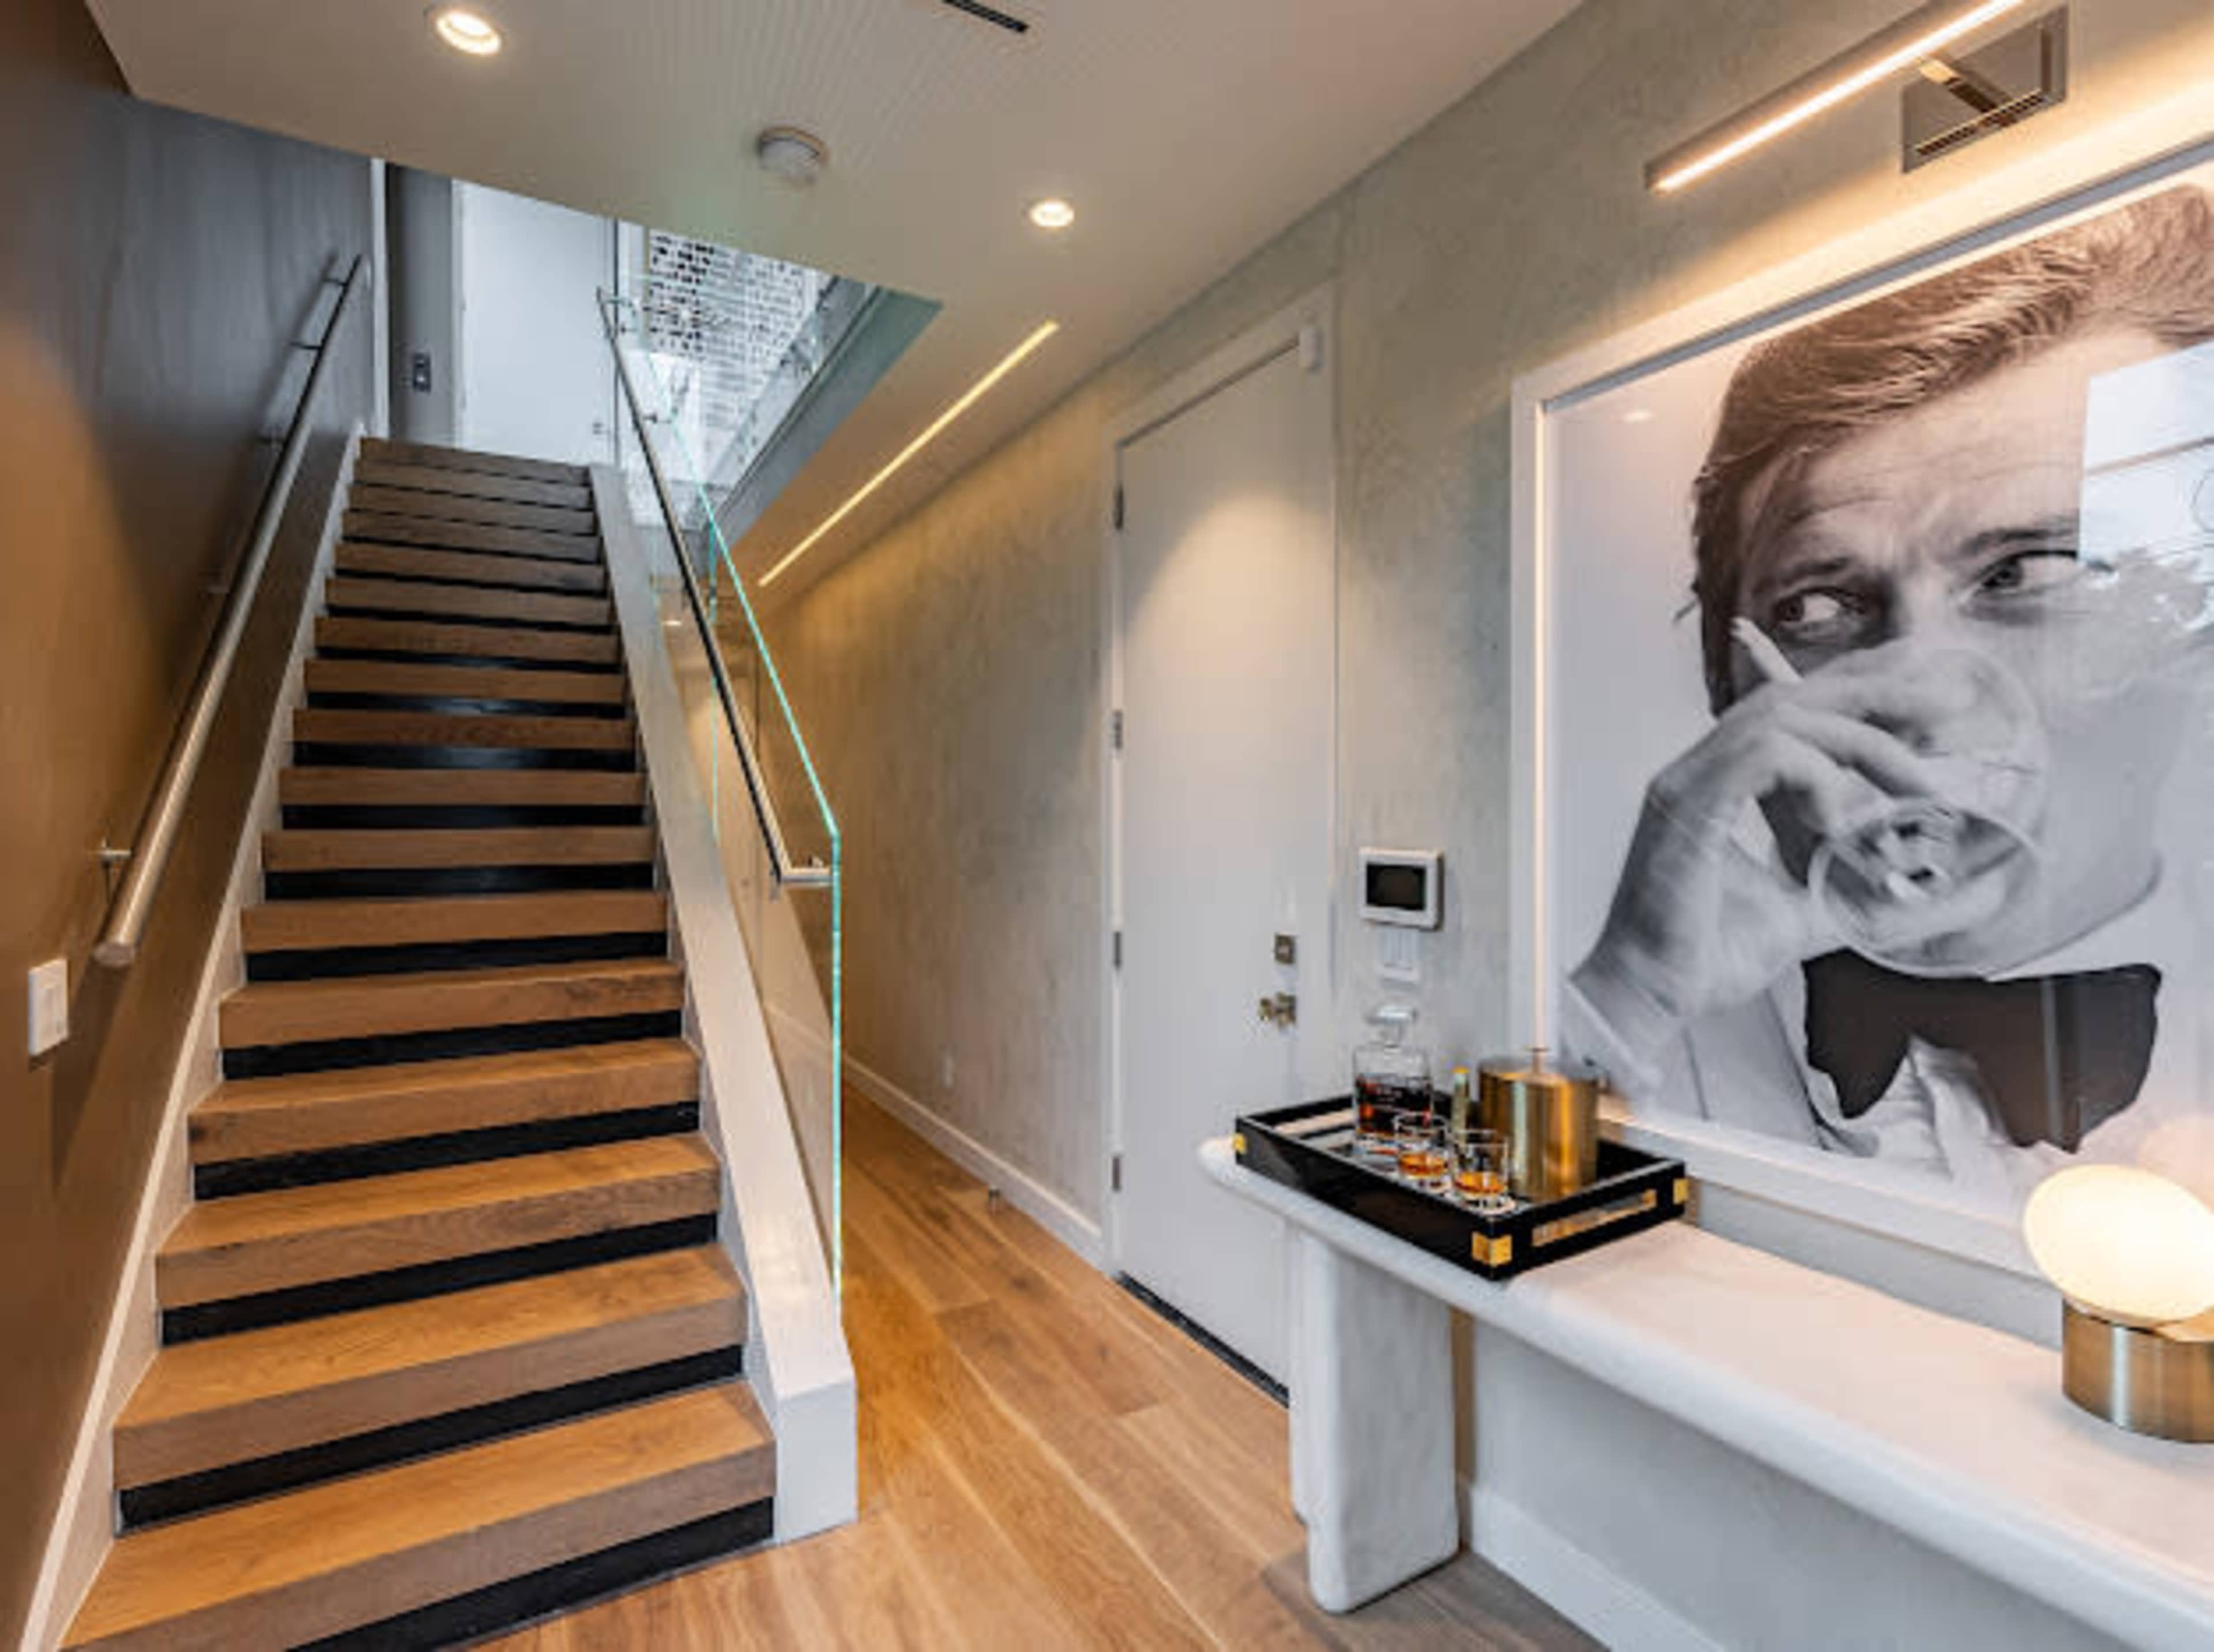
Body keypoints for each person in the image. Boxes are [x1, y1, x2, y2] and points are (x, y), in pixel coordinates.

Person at [1565, 183, 2214, 1209]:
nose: (1919, 700)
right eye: (1820, 606)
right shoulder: (1626, 1027)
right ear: (1729, 682)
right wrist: (1628, 998)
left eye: (2028, 573)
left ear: (2190, 625)